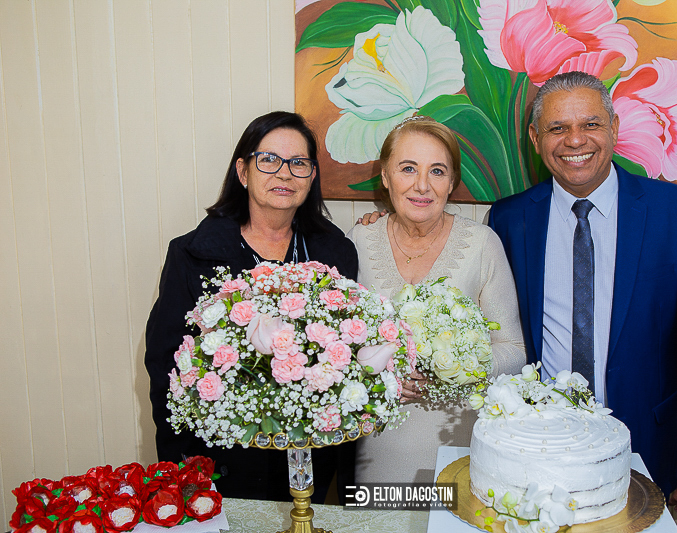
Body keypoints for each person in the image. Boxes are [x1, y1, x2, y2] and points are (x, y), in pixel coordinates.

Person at [487, 71, 677, 514]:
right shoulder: (508, 219)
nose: (575, 140)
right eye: (557, 128)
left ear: (614, 128)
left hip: (648, 444)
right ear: (536, 138)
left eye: (591, 124)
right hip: (538, 446)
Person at [144, 111, 358, 502]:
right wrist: (183, 474)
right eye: (269, 160)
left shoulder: (336, 252)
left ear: (312, 176)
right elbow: (165, 370)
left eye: (298, 163)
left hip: (310, 457)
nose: (285, 174)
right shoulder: (192, 255)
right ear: (243, 172)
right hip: (223, 464)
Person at [347, 116, 526, 484]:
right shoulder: (359, 240)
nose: (422, 185)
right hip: (377, 450)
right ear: (385, 176)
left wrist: (455, 368)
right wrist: (381, 374)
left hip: (459, 448)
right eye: (408, 168)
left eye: (437, 171)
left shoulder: (482, 244)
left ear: (452, 182)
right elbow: (336, 346)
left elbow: (514, 350)